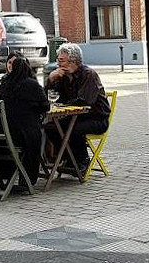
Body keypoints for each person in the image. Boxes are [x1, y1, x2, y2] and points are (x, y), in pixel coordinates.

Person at [45, 43, 110, 175]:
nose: (58, 63)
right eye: (58, 60)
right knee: (50, 127)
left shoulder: (88, 75)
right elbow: (50, 95)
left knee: (75, 130)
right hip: (75, 116)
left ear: (73, 61)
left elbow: (85, 101)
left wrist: (64, 106)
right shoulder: (63, 76)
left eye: (61, 60)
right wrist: (51, 79)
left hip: (95, 118)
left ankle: (82, 161)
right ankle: (68, 158)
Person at [0, 52, 50, 189]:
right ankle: (29, 177)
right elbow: (46, 106)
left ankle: (9, 176)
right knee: (41, 135)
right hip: (23, 135)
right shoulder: (32, 85)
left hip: (2, 136)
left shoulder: (4, 85)